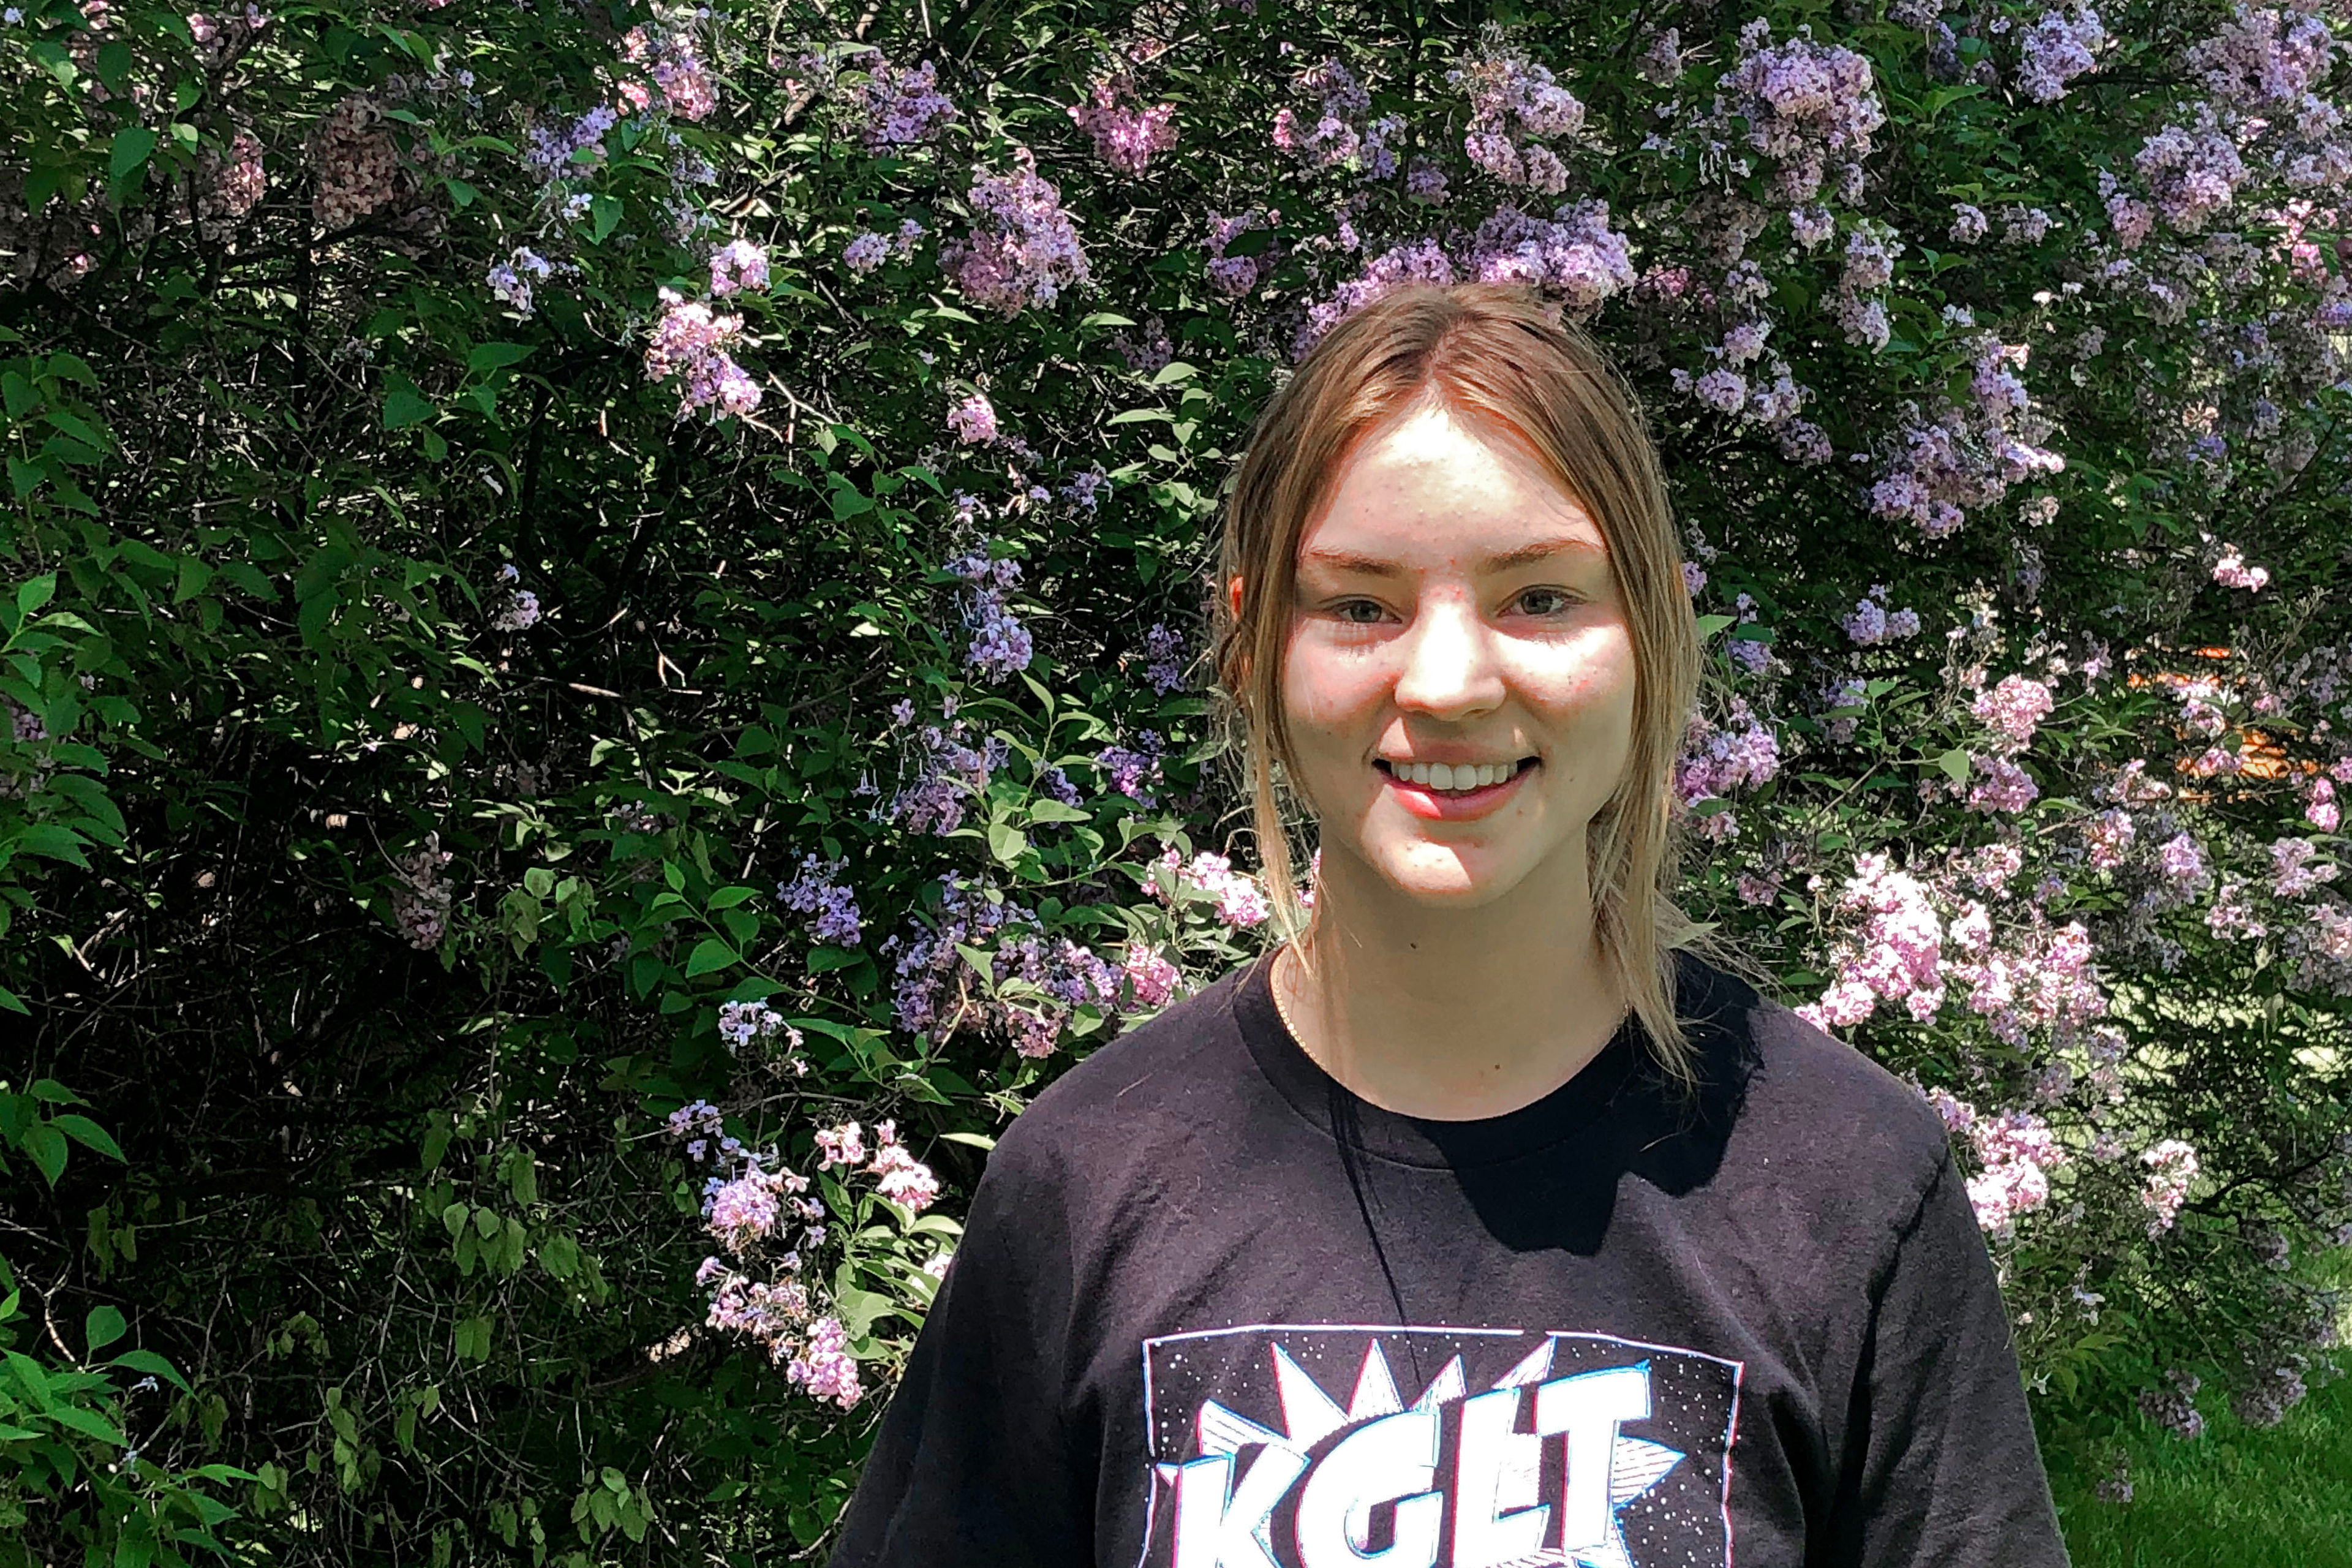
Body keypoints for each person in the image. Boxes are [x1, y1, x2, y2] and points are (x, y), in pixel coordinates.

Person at [826, 283, 2071, 1568]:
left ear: (1646, 629)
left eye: (1539, 596)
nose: (1449, 684)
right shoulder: (1086, 1183)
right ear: (1256, 646)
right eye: (1361, 604)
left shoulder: (1853, 1184)